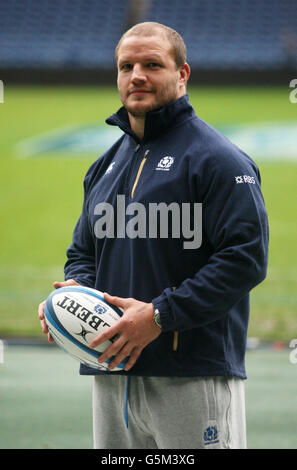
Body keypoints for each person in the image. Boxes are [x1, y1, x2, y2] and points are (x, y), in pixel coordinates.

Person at [38, 22, 269, 449]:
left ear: (182, 74)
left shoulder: (217, 160)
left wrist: (160, 315)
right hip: (111, 370)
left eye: (152, 64)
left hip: (191, 374)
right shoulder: (105, 165)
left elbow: (245, 259)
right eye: (126, 66)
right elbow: (84, 250)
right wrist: (75, 296)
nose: (136, 75)